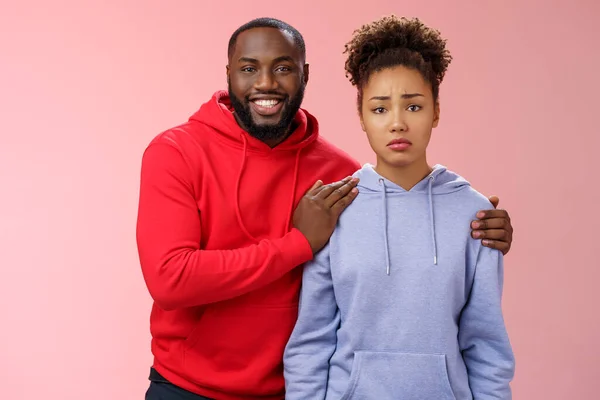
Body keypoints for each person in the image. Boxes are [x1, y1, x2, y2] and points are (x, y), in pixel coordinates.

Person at [136, 17, 515, 400]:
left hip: (283, 390)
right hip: (186, 388)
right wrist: (298, 243)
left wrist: (480, 221)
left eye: (283, 68)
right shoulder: (176, 152)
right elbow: (170, 279)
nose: (266, 83)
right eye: (249, 68)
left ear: (304, 75)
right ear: (229, 73)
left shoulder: (340, 178)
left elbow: (404, 222)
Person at [283, 15, 515, 400]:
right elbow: (311, 343)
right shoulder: (335, 208)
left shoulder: (474, 215)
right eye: (379, 109)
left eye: (413, 107)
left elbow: (487, 347)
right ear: (361, 116)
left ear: (436, 111)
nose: (396, 124)